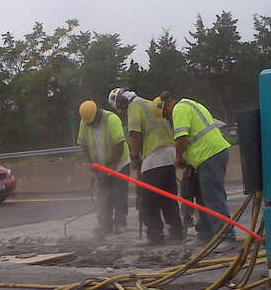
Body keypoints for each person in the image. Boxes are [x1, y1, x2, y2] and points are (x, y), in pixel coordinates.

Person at [156, 92, 235, 244]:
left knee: (213, 198)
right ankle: (206, 235)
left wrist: (179, 158)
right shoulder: (190, 104)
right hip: (210, 154)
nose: (168, 119)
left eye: (165, 115)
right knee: (203, 197)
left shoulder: (178, 109)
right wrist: (190, 163)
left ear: (166, 107)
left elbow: (181, 138)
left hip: (209, 155)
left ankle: (226, 237)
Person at [108, 88, 182, 246]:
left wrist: (135, 157)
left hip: (154, 155)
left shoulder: (134, 106)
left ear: (122, 103)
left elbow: (135, 134)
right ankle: (177, 232)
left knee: (147, 199)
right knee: (168, 197)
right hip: (170, 153)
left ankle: (155, 235)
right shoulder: (149, 103)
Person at [76, 100, 130, 237]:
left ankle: (120, 224)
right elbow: (83, 145)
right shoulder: (84, 122)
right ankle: (105, 225)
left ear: (97, 114)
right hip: (100, 166)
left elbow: (119, 145)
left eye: (92, 122)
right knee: (103, 196)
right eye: (88, 123)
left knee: (119, 195)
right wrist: (93, 166)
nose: (90, 125)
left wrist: (110, 168)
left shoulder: (112, 119)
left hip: (119, 164)